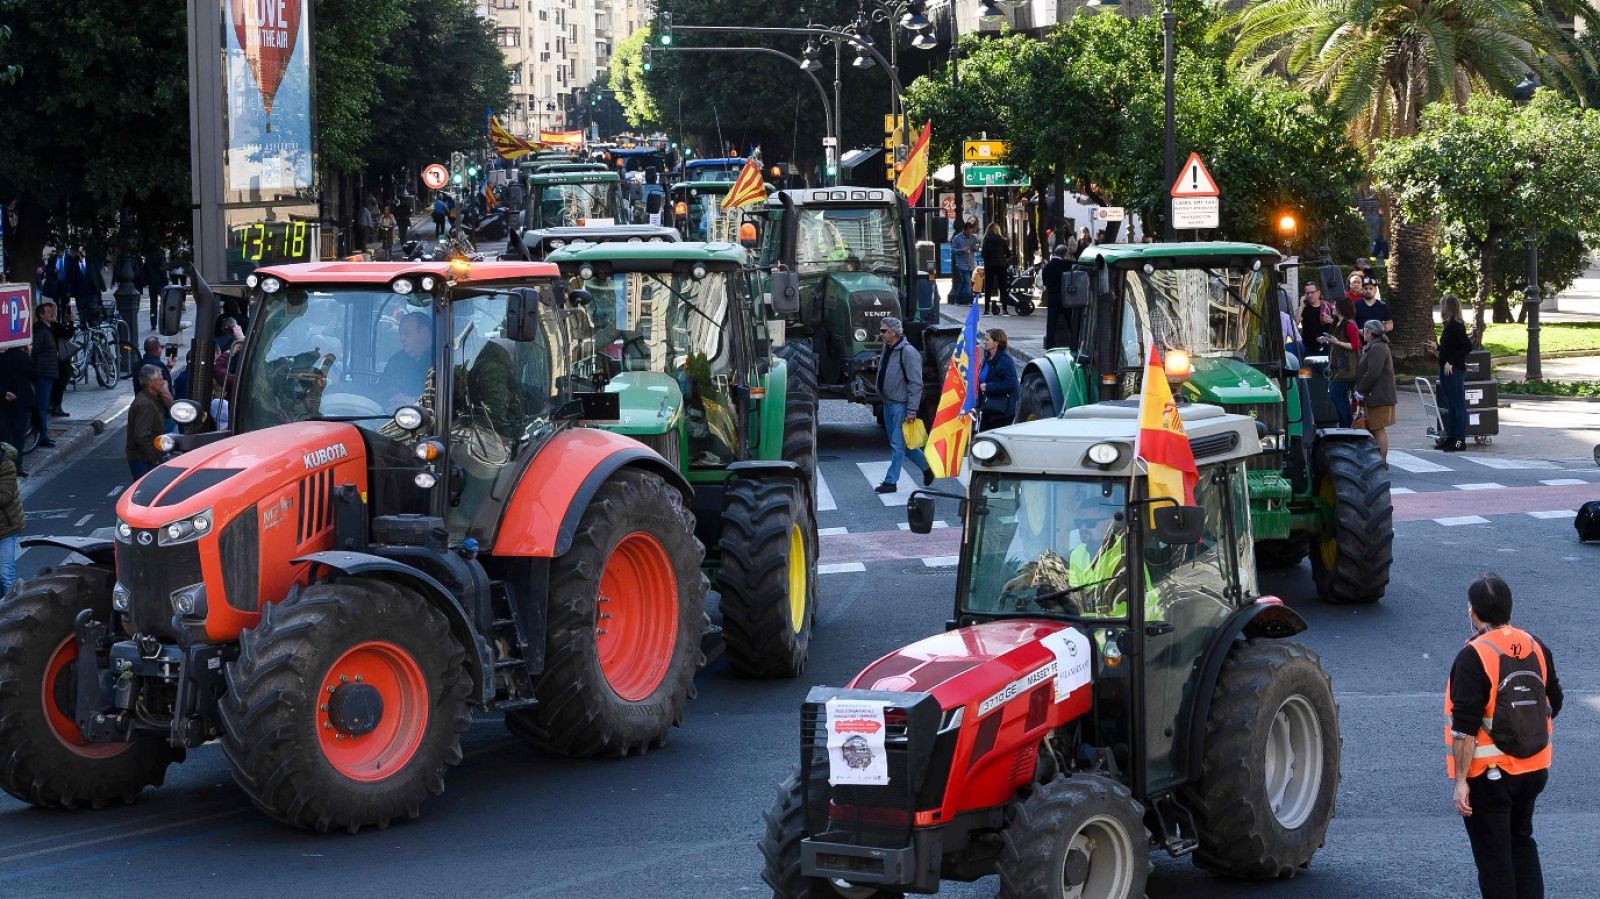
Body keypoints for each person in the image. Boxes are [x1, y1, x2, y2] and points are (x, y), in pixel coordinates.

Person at [1446, 573, 1561, 899]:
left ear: (1473, 611)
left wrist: (1461, 782)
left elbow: (1464, 727)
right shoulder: (1536, 646)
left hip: (1490, 776)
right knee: (1521, 842)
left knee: (1495, 857)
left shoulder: (1474, 655)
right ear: (1509, 608)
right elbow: (1556, 702)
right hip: (1535, 769)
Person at [874, 317, 933, 493]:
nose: (881, 333)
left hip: (900, 405)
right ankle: (927, 469)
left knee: (897, 445)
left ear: (893, 333)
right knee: (903, 444)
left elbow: (916, 383)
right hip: (888, 403)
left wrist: (912, 410)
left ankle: (891, 482)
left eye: (883, 331)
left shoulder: (908, 352)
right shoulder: (888, 348)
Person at [1355, 318, 1396, 462]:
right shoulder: (1376, 346)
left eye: (1365, 330)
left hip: (1379, 396)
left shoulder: (1377, 347)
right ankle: (1379, 461)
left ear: (1370, 333)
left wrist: (1360, 390)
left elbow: (1373, 372)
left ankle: (1381, 462)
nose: (1363, 333)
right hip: (1376, 395)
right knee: (1375, 429)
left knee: (1378, 429)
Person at [1320, 296, 1361, 428]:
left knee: (1336, 395)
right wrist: (1326, 339)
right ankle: (1347, 425)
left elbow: (1355, 346)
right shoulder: (1337, 322)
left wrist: (1337, 342)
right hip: (1337, 366)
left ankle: (1345, 424)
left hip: (1347, 368)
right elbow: (1335, 340)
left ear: (1341, 308)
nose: (1332, 307)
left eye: (1335, 305)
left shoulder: (1350, 325)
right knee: (1341, 397)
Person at [1438, 294, 1472, 452]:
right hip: (1446, 368)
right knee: (1451, 404)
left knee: (1458, 405)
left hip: (1455, 369)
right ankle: (1451, 437)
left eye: (1442, 306)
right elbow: (1451, 347)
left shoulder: (1456, 325)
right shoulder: (1449, 325)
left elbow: (1466, 346)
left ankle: (1459, 440)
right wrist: (1437, 348)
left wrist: (1451, 361)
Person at [126, 364, 172, 479]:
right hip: (142, 460)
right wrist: (154, 458)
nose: (163, 382)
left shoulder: (153, 398)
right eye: (160, 379)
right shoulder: (145, 404)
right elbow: (141, 436)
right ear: (150, 383)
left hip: (146, 457)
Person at [381, 311, 433, 407]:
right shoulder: (397, 360)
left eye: (407, 333)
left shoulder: (442, 361)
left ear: (425, 332)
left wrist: (414, 400)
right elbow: (382, 388)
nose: (402, 339)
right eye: (400, 334)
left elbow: (445, 399)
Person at [29, 302, 60, 448]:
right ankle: (42, 435)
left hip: (48, 371)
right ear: (41, 315)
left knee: (44, 404)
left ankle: (41, 433)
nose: (51, 314)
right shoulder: (41, 330)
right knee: (42, 404)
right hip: (43, 371)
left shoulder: (48, 329)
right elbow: (35, 350)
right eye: (47, 312)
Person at [978, 329, 1019, 431]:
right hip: (989, 408)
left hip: (1002, 412)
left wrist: (988, 387)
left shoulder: (1005, 360)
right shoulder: (988, 357)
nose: (984, 342)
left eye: (987, 339)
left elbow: (1010, 384)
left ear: (996, 343)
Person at [0, 347, 32, 477]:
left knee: (5, 435)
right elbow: (34, 374)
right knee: (19, 435)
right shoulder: (24, 358)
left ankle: (7, 465)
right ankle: (17, 466)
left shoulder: (2, 358)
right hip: (21, 401)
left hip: (4, 403)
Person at [1041, 244, 1074, 349]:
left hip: (1052, 297)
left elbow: (1045, 283)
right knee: (1071, 321)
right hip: (1065, 297)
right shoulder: (1067, 264)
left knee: (1051, 323)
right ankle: (1074, 342)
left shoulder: (1047, 266)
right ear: (1065, 254)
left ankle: (1050, 345)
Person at [0, 441, 21, 594]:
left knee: (6, 574)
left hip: (6, 527)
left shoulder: (6, 464)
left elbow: (5, 497)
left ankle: (12, 612)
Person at [981, 223, 1012, 316]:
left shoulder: (986, 240)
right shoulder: (1002, 240)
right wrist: (1003, 259)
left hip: (989, 266)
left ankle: (987, 310)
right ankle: (1005, 310)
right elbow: (1009, 254)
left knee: (988, 287)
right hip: (1001, 265)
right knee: (1003, 287)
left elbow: (983, 254)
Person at [949, 219, 979, 307]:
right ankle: (971, 301)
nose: (970, 233)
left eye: (971, 231)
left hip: (971, 262)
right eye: (968, 231)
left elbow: (977, 247)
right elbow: (953, 250)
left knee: (964, 282)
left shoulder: (974, 237)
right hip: (962, 263)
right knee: (967, 281)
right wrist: (962, 250)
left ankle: (957, 299)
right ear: (965, 230)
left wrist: (975, 248)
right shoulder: (957, 238)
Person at [141, 247, 168, 330]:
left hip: (152, 284)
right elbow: (163, 269)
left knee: (153, 305)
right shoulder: (161, 255)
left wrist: (147, 281)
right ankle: (164, 322)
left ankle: (153, 324)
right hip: (161, 283)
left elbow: (144, 270)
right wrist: (165, 281)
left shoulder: (148, 257)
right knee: (164, 303)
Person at [1299, 282, 1331, 353]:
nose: (1310, 295)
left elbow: (1338, 324)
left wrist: (1331, 320)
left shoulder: (1327, 306)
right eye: (1307, 293)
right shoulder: (1304, 308)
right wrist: (1301, 307)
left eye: (1312, 292)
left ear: (1318, 293)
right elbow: (1295, 324)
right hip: (1308, 347)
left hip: (1326, 346)